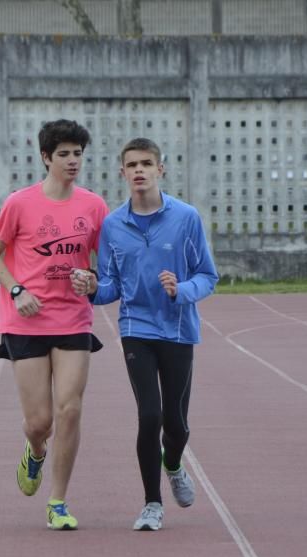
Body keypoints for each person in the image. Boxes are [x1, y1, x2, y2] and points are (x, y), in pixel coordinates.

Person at [72, 137, 219, 532]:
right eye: (132, 165)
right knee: (149, 414)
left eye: (146, 164)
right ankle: (152, 503)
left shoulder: (186, 217)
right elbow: (110, 287)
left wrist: (181, 290)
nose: (139, 171)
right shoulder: (113, 226)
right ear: (122, 173)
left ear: (160, 170)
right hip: (136, 328)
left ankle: (173, 464)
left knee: (177, 423)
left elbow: (208, 276)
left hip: (178, 328)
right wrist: (90, 288)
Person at [0, 119, 108, 531]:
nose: (73, 161)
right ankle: (35, 452)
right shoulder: (20, 203)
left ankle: (58, 502)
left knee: (69, 409)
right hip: (26, 321)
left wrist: (92, 280)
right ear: (45, 158)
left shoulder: (93, 206)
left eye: (78, 154)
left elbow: (104, 266)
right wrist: (17, 291)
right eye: (65, 154)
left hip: (72, 317)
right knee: (41, 422)